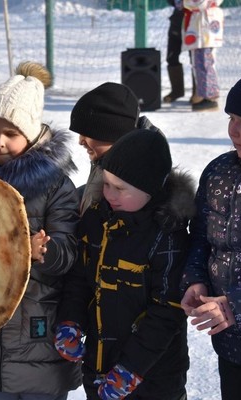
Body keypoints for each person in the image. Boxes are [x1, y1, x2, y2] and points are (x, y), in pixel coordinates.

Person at [0, 61, 81, 400]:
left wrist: (46, 251)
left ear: (30, 134)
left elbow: (69, 250)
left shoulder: (56, 186)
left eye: (10, 134)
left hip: (37, 331)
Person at [56, 128, 194, 400]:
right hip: (100, 368)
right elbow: (79, 280)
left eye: (120, 188)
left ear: (150, 190)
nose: (109, 194)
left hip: (154, 379)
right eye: (106, 183)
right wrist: (70, 321)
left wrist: (132, 369)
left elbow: (168, 312)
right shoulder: (97, 220)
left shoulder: (167, 236)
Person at [180, 77, 241, 400]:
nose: (235, 132)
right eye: (232, 119)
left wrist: (235, 304)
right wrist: (196, 280)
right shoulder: (219, 173)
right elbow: (201, 238)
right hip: (231, 344)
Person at [69, 82, 162, 215]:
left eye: (87, 134)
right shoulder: (105, 163)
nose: (80, 141)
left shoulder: (136, 182)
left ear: (112, 134)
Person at [182, 0, 224, 111]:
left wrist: (185, 3)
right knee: (201, 62)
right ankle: (206, 94)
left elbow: (199, 3)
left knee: (204, 62)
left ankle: (209, 96)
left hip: (205, 25)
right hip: (201, 24)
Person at [163, 0, 186, 103]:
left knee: (196, 60)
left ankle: (198, 94)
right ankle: (177, 91)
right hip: (177, 21)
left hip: (195, 23)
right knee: (171, 57)